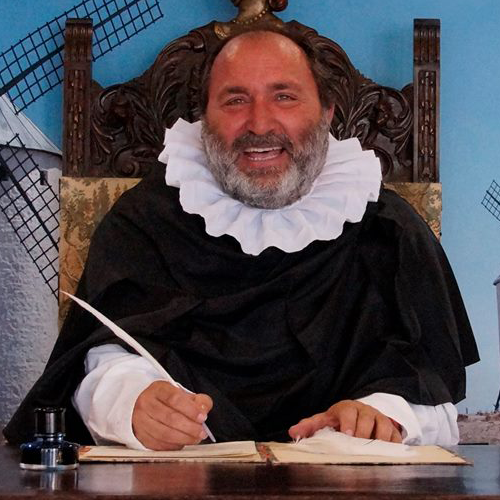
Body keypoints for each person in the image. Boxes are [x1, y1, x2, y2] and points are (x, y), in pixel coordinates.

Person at [4, 29, 478, 451]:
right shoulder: (142, 222)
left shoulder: (390, 230)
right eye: (234, 100)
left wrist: (385, 415)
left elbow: (435, 397)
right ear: (205, 118)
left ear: (328, 113)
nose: (259, 124)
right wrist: (132, 402)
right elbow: (100, 357)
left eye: (284, 97)